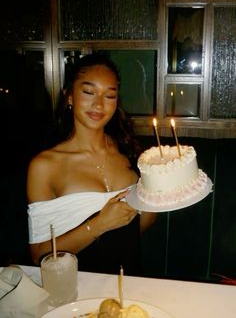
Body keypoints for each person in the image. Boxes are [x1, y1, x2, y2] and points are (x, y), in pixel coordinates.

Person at [27, 53, 157, 276]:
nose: (98, 104)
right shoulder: (44, 165)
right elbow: (40, 255)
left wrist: (160, 195)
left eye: (109, 96)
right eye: (88, 92)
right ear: (69, 96)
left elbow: (139, 227)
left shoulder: (130, 151)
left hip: (130, 283)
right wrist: (99, 225)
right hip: (75, 290)